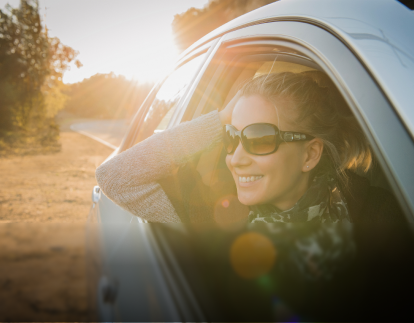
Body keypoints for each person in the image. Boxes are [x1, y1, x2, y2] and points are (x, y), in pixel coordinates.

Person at [95, 72, 404, 224]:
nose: (235, 159)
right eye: (231, 137)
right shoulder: (210, 211)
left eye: (259, 139)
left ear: (310, 154)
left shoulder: (379, 216)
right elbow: (114, 177)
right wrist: (219, 119)